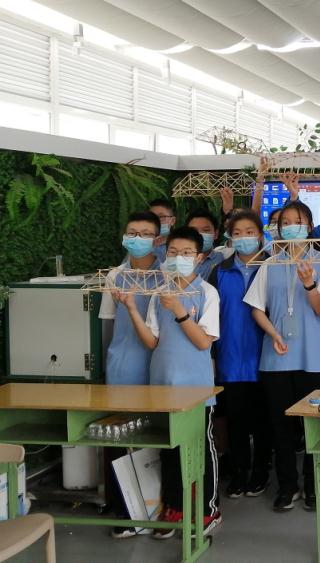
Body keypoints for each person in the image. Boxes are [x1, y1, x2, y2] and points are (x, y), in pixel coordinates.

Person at [119, 225, 222, 538]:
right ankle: (175, 506)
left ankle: (208, 510)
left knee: (200, 449)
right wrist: (131, 309)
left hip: (196, 390)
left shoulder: (207, 293)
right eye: (173, 252)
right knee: (169, 449)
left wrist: (179, 310)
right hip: (162, 386)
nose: (179, 258)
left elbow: (203, 342)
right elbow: (152, 341)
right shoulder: (159, 293)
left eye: (186, 253)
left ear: (200, 257)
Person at [244, 200, 320, 512]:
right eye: (285, 222)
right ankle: (287, 486)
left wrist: (309, 283)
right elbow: (257, 308)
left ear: (308, 226)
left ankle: (313, 486)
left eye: (297, 221)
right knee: (280, 426)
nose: (291, 227)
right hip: (277, 355)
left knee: (313, 425)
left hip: (312, 356)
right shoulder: (270, 263)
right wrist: (273, 334)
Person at [99, 210, 161, 539]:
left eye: (146, 233)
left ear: (158, 239)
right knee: (120, 438)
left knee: (158, 437)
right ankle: (124, 508)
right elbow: (107, 325)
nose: (138, 239)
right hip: (122, 367)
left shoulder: (167, 275)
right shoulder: (115, 276)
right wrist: (108, 363)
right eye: (132, 233)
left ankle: (156, 505)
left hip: (157, 366)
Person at [207, 210, 272, 501]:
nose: (244, 237)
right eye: (237, 233)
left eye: (249, 232)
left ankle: (261, 471)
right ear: (229, 238)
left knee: (263, 419)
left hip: (266, 356)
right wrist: (213, 355)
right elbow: (210, 317)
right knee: (235, 420)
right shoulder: (219, 271)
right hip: (230, 356)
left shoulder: (273, 266)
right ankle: (240, 471)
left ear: (260, 235)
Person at [186, 208, 225, 281]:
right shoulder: (178, 261)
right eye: (194, 231)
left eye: (206, 230)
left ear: (216, 234)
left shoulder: (223, 258)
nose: (199, 235)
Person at [148, 198, 177, 263]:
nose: (155, 221)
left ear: (172, 221)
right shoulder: (140, 244)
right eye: (151, 217)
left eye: (161, 217)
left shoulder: (181, 244)